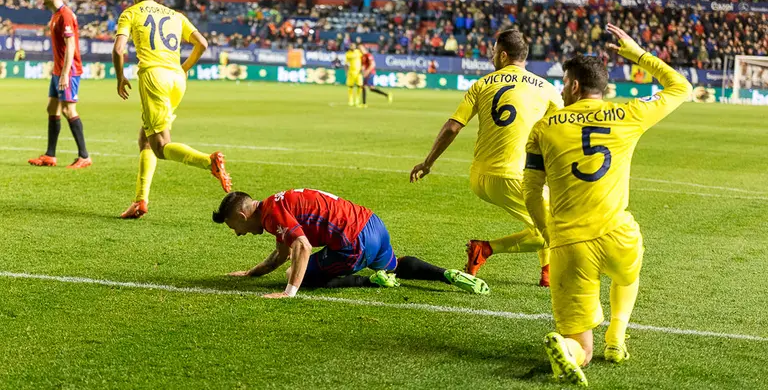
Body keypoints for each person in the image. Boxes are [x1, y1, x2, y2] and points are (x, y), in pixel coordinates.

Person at [522, 24, 692, 386]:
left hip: (570, 244)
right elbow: (681, 87)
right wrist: (636, 54)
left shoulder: (544, 128)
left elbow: (531, 192)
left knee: (581, 345)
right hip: (618, 234)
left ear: (573, 86)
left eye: (564, 83)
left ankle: (568, 351)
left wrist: (547, 231)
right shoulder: (629, 114)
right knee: (628, 273)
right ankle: (616, 337)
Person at [410, 28, 562, 287]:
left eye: (493, 52)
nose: (492, 56)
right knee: (556, 229)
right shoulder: (548, 89)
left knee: (546, 207)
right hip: (514, 177)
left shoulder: (481, 84)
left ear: (503, 55)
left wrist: (428, 163)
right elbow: (563, 129)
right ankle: (486, 249)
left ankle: (547, 271)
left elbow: (452, 127)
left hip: (480, 177)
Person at [213, 189, 490, 298]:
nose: (238, 233)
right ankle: (448, 275)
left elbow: (301, 248)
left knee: (294, 275)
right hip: (372, 224)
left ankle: (371, 282)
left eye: (234, 227)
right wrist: (251, 273)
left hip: (353, 241)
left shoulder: (273, 215)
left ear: (241, 215)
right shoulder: (276, 204)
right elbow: (281, 254)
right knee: (396, 265)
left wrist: (289, 292)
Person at [112, 0, 232, 219]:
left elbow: (118, 48)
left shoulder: (130, 13)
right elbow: (203, 43)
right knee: (146, 138)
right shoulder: (175, 15)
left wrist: (120, 77)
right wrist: (184, 68)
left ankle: (208, 161)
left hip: (153, 77)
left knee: (160, 146)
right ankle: (140, 201)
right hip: (176, 79)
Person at [28, 0, 91, 169]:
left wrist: (65, 74)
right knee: (52, 108)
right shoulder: (56, 15)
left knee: (68, 110)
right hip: (58, 70)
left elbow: (71, 46)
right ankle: (50, 155)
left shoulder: (65, 15)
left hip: (68, 71)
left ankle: (84, 156)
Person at [345, 42, 363, 107]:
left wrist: (362, 68)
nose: (352, 47)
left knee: (360, 86)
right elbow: (346, 64)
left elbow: (363, 60)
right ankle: (351, 100)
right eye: (351, 46)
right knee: (350, 86)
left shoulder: (358, 52)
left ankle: (357, 99)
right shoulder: (348, 54)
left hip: (358, 72)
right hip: (351, 72)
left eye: (353, 46)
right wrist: (346, 72)